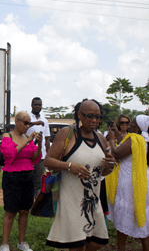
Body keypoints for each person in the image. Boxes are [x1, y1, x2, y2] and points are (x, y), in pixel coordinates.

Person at [45, 99, 116, 251]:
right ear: (80, 115)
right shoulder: (68, 134)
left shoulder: (100, 139)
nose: (95, 120)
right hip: (71, 199)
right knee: (77, 245)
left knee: (97, 242)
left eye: (99, 117)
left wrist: (110, 166)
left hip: (93, 199)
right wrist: (70, 166)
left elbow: (101, 172)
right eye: (91, 116)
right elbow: (48, 161)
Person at [0, 111, 42, 251]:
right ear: (16, 121)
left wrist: (39, 144)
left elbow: (34, 158)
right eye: (25, 123)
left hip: (28, 176)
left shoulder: (26, 137)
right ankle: (5, 244)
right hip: (12, 177)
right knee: (10, 210)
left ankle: (21, 242)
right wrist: (27, 141)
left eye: (29, 123)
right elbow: (10, 154)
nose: (27, 126)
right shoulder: (8, 136)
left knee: (24, 210)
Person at [105, 115, 149, 251]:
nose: (129, 125)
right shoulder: (144, 140)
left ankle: (121, 248)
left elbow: (118, 153)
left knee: (124, 215)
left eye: (132, 123)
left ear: (137, 127)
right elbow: (124, 142)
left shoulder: (135, 139)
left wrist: (111, 140)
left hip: (129, 183)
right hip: (142, 183)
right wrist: (116, 133)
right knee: (142, 215)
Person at [26, 97, 51, 199]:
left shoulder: (44, 120)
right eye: (36, 104)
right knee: (28, 180)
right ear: (31, 105)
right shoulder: (26, 118)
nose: (38, 106)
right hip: (28, 155)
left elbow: (47, 139)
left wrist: (49, 155)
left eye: (39, 105)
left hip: (41, 156)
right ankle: (27, 201)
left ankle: (35, 203)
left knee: (38, 181)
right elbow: (23, 127)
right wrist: (37, 123)